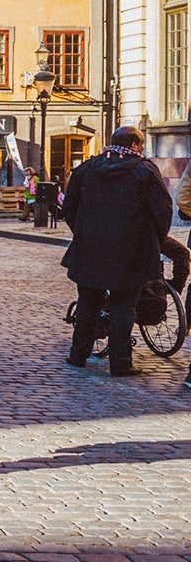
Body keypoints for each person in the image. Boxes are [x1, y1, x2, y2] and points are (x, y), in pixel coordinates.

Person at [61, 126, 172, 377]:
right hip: (130, 249)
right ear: (134, 145)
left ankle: (78, 356)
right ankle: (121, 363)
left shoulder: (88, 168)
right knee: (124, 306)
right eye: (141, 144)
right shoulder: (145, 170)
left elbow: (69, 207)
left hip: (90, 248)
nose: (142, 149)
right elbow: (162, 210)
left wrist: (83, 231)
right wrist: (153, 239)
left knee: (88, 303)